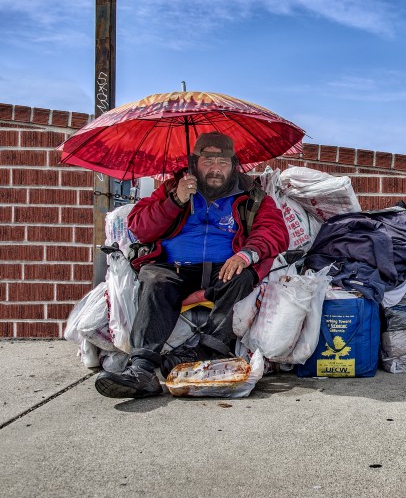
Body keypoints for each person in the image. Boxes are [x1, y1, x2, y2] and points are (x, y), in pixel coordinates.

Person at [95, 131, 289, 398]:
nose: (215, 169)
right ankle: (141, 370)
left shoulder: (252, 195)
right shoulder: (173, 188)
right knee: (154, 279)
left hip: (225, 268)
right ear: (194, 163)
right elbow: (140, 228)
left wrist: (246, 255)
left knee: (243, 276)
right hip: (174, 268)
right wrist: (175, 201)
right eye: (208, 161)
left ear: (234, 165)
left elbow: (274, 230)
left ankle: (205, 351)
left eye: (223, 162)